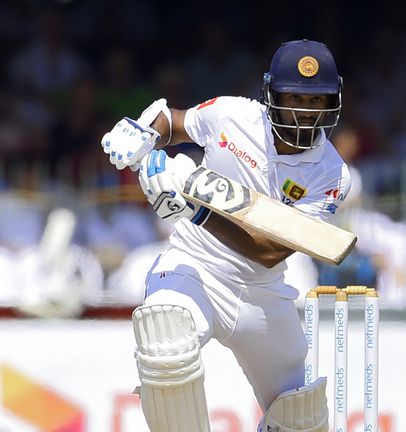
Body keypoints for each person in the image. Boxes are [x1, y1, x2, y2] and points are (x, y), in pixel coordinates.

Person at [100, 39, 349, 432]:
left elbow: (268, 251)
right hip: (193, 266)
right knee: (167, 344)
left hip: (262, 291)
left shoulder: (331, 175)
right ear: (271, 95)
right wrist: (144, 132)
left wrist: (197, 209)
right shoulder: (233, 115)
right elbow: (175, 121)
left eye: (316, 101)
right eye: (295, 98)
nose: (305, 112)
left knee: (301, 416)